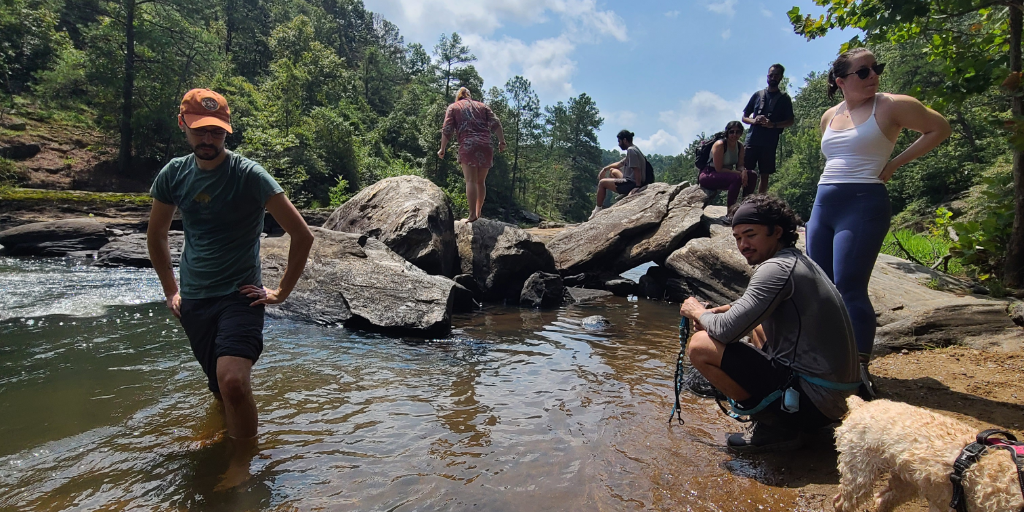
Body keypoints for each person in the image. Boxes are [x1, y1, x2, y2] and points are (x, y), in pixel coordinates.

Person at [147, 88, 314, 487]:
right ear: (183, 124)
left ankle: (242, 464)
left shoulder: (249, 175)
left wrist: (280, 292)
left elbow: (302, 235)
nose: (208, 139)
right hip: (195, 298)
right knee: (220, 390)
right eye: (200, 131)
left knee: (234, 381)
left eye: (216, 132)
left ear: (227, 131)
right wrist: (171, 290)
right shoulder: (174, 174)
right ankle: (224, 433)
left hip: (241, 296)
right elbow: (156, 235)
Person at [807, 48, 951, 396]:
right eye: (863, 72)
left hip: (863, 202)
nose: (873, 75)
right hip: (823, 204)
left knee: (849, 286)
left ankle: (857, 374)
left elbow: (939, 128)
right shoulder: (829, 115)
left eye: (876, 68)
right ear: (841, 81)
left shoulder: (891, 105)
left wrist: (895, 163)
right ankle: (823, 363)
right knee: (820, 287)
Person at [679, 195, 860, 453]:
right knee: (756, 325)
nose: (743, 245)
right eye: (737, 238)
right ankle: (785, 417)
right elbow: (754, 307)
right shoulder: (796, 260)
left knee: (700, 346)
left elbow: (726, 331)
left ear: (776, 232)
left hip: (819, 402)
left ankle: (775, 428)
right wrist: (720, 311)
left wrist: (698, 312)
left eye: (750, 235)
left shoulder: (776, 269)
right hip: (840, 396)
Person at [438, 87, 507, 222]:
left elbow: (447, 129)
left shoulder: (453, 107)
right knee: (480, 181)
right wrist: (501, 141)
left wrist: (442, 148)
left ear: (458, 97)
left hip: (468, 145)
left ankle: (472, 215)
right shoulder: (482, 106)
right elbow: (496, 123)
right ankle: (478, 212)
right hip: (486, 145)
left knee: (470, 181)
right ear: (469, 96)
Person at [741, 64, 795, 194]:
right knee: (746, 172)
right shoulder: (757, 95)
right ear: (767, 76)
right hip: (752, 140)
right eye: (771, 75)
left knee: (765, 174)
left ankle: (760, 202)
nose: (773, 78)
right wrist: (754, 120)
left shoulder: (784, 98)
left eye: (776, 75)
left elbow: (790, 121)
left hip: (769, 142)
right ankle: (744, 200)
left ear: (781, 77)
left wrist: (773, 125)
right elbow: (744, 117)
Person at [698, 121, 757, 212]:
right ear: (727, 132)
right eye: (732, 132)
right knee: (736, 178)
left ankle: (745, 208)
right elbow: (718, 169)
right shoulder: (720, 145)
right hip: (709, 174)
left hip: (726, 174)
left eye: (738, 132)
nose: (734, 134)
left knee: (752, 175)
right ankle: (730, 212)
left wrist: (743, 171)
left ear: (741, 133)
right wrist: (739, 173)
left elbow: (740, 165)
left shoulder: (740, 146)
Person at [590, 129, 646, 220]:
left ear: (625, 140)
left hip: (631, 183)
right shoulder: (634, 149)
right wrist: (605, 169)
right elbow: (619, 164)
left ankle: (597, 209)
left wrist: (637, 186)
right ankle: (624, 193)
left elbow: (637, 169)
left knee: (602, 183)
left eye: (619, 141)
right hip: (630, 180)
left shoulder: (631, 151)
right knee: (613, 170)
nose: (619, 144)